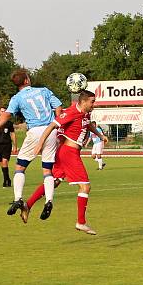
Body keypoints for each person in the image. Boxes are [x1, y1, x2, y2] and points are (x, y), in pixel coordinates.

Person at [0, 69, 62, 222]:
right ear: (26, 80)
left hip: (34, 132)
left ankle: (18, 198)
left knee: (20, 168)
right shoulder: (44, 90)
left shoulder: (17, 98)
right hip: (51, 130)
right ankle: (49, 201)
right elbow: (58, 107)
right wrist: (58, 124)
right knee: (47, 170)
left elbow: (6, 115)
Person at [27, 90, 107, 235]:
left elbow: (87, 124)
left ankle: (28, 205)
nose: (94, 104)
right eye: (92, 101)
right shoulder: (71, 112)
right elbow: (51, 126)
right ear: (83, 102)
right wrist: (40, 144)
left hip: (67, 153)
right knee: (85, 187)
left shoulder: (85, 113)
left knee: (55, 181)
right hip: (68, 153)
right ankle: (81, 222)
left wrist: (100, 135)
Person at [0, 107, 17, 187]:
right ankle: (7, 178)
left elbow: (13, 134)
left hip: (7, 145)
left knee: (5, 161)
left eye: (5, 111)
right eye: (2, 111)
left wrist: (15, 146)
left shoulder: (9, 123)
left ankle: (6, 181)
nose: (3, 113)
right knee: (2, 164)